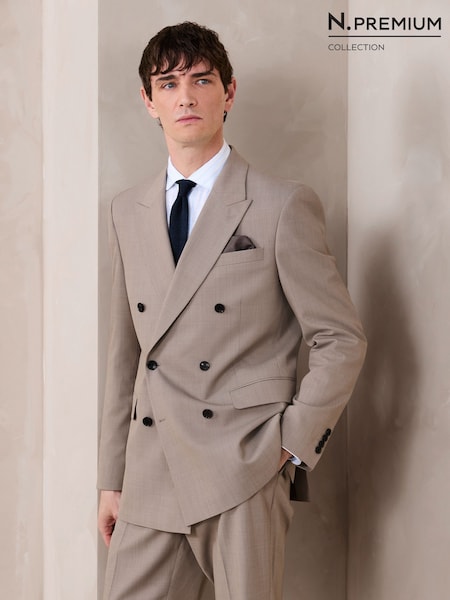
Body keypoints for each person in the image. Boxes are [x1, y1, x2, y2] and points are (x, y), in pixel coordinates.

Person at [97, 21, 367, 600]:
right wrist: (112, 477)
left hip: (243, 463)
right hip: (150, 470)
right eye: (168, 84)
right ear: (148, 101)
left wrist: (290, 445)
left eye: (201, 80)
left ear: (229, 92)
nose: (185, 97)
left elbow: (340, 337)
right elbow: (126, 355)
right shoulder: (125, 211)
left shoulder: (281, 204)